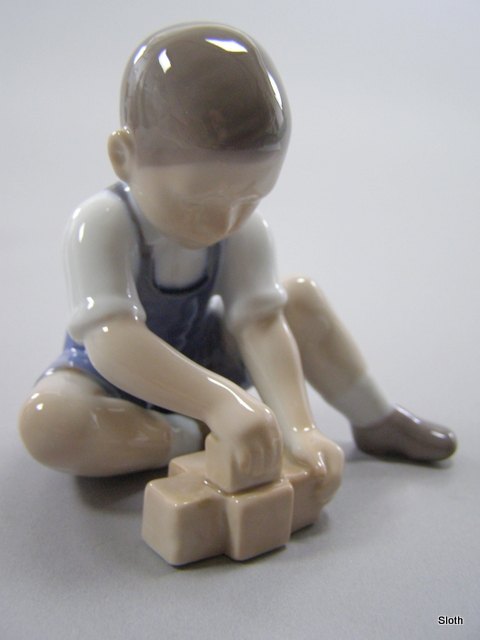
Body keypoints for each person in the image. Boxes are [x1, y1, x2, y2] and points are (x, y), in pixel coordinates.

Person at [19, 24, 456, 499]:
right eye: (197, 200)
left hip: (205, 360)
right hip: (110, 383)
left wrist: (299, 429)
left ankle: (376, 418)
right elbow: (113, 340)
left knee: (298, 297)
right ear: (124, 157)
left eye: (250, 198)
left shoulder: (243, 231)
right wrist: (218, 405)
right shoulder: (103, 223)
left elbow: (260, 326)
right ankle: (190, 436)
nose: (223, 221)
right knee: (49, 423)